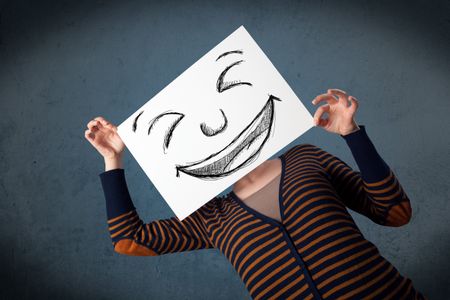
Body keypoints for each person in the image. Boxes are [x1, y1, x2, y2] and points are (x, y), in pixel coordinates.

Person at [85, 89, 426, 299]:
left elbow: (394, 212)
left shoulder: (305, 157)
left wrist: (352, 134)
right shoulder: (209, 217)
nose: (214, 127)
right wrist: (113, 158)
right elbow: (129, 240)